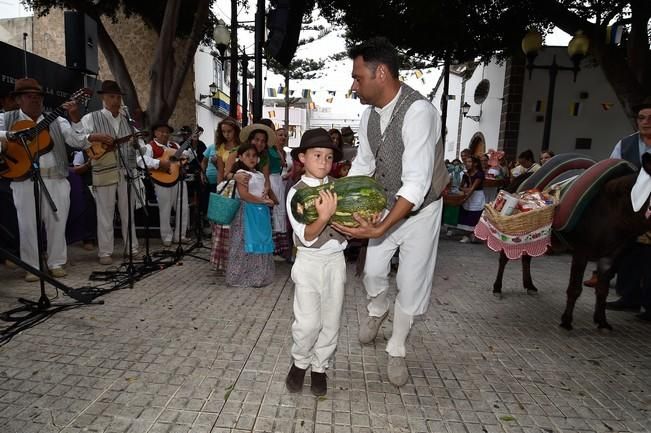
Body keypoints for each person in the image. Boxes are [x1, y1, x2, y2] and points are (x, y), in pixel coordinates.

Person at [333, 37, 450, 386]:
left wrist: (381, 227)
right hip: (384, 204)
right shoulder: (369, 115)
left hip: (422, 209)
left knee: (411, 283)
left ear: (380, 72)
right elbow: (364, 165)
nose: (353, 85)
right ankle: (377, 309)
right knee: (372, 273)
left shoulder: (420, 113)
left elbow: (415, 184)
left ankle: (397, 347)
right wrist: (337, 196)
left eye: (358, 77)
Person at [0, 78, 88, 281]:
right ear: (19, 100)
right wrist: (10, 137)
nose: (35, 100)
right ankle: (32, 267)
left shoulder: (57, 120)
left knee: (58, 222)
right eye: (29, 96)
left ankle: (56, 262)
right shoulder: (7, 118)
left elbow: (78, 141)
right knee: (27, 224)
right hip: (23, 179)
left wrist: (75, 118)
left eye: (38, 96)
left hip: (56, 177)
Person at [284, 128, 347, 396]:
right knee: (308, 322)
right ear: (302, 158)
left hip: (336, 261)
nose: (323, 162)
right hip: (309, 262)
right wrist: (324, 216)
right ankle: (300, 362)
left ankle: (320, 367)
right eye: (317, 155)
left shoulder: (340, 188)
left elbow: (349, 224)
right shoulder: (295, 193)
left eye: (329, 157)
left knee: (331, 321)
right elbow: (307, 237)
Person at [79, 80, 152, 264]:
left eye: (118, 97)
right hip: (104, 171)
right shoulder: (91, 118)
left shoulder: (128, 121)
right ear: (103, 97)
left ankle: (132, 248)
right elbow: (81, 140)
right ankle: (105, 252)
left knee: (128, 213)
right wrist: (97, 140)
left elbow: (143, 148)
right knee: (105, 213)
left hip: (127, 172)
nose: (116, 100)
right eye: (112, 96)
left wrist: (137, 145)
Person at [604, 100, 651, 321]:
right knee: (628, 252)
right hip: (631, 209)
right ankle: (628, 297)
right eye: (642, 118)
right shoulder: (625, 144)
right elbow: (612, 171)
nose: (646, 122)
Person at [225, 143, 276, 287]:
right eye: (247, 155)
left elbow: (259, 191)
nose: (251, 158)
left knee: (260, 241)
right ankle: (241, 276)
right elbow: (244, 195)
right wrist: (263, 201)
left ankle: (258, 275)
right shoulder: (242, 173)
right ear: (240, 157)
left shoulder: (258, 174)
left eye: (254, 155)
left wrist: (265, 199)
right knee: (245, 242)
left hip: (259, 212)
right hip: (247, 212)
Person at [140, 122, 191, 246]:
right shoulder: (149, 147)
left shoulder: (175, 145)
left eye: (167, 132)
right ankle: (167, 236)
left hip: (178, 179)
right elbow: (142, 160)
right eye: (161, 131)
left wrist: (187, 156)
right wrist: (159, 164)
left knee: (183, 208)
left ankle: (180, 235)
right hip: (161, 181)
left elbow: (186, 158)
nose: (165, 134)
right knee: (165, 209)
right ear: (155, 133)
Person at [205, 117, 240, 272]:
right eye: (223, 131)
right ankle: (223, 260)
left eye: (229, 131)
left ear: (236, 131)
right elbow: (220, 170)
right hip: (226, 185)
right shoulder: (220, 148)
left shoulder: (242, 146)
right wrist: (219, 188)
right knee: (224, 222)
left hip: (242, 184)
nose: (227, 134)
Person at [457, 156, 485, 243]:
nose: (467, 164)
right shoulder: (466, 174)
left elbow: (472, 189)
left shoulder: (479, 174)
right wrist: (465, 190)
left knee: (474, 215)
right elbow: (460, 187)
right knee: (465, 215)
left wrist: (465, 198)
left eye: (469, 162)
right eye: (466, 162)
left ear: (475, 164)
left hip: (476, 196)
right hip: (468, 196)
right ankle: (466, 235)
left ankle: (473, 234)